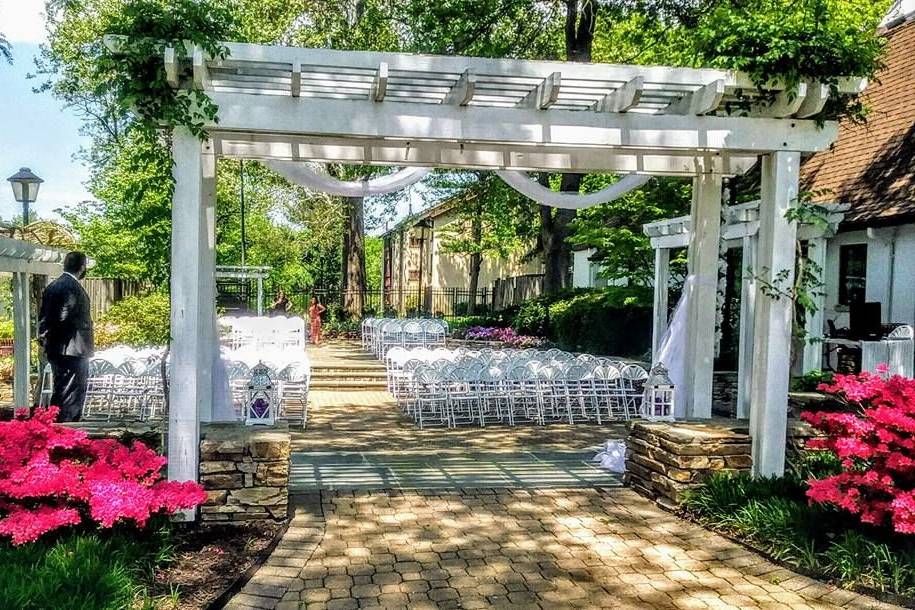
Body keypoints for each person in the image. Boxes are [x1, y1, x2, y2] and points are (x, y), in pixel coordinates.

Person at [38, 251, 94, 422]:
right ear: (82, 267)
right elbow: (62, 316)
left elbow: (45, 318)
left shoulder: (54, 286)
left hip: (58, 349)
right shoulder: (71, 288)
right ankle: (67, 429)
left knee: (61, 389)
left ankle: (57, 424)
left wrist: (45, 339)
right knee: (72, 393)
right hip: (71, 349)